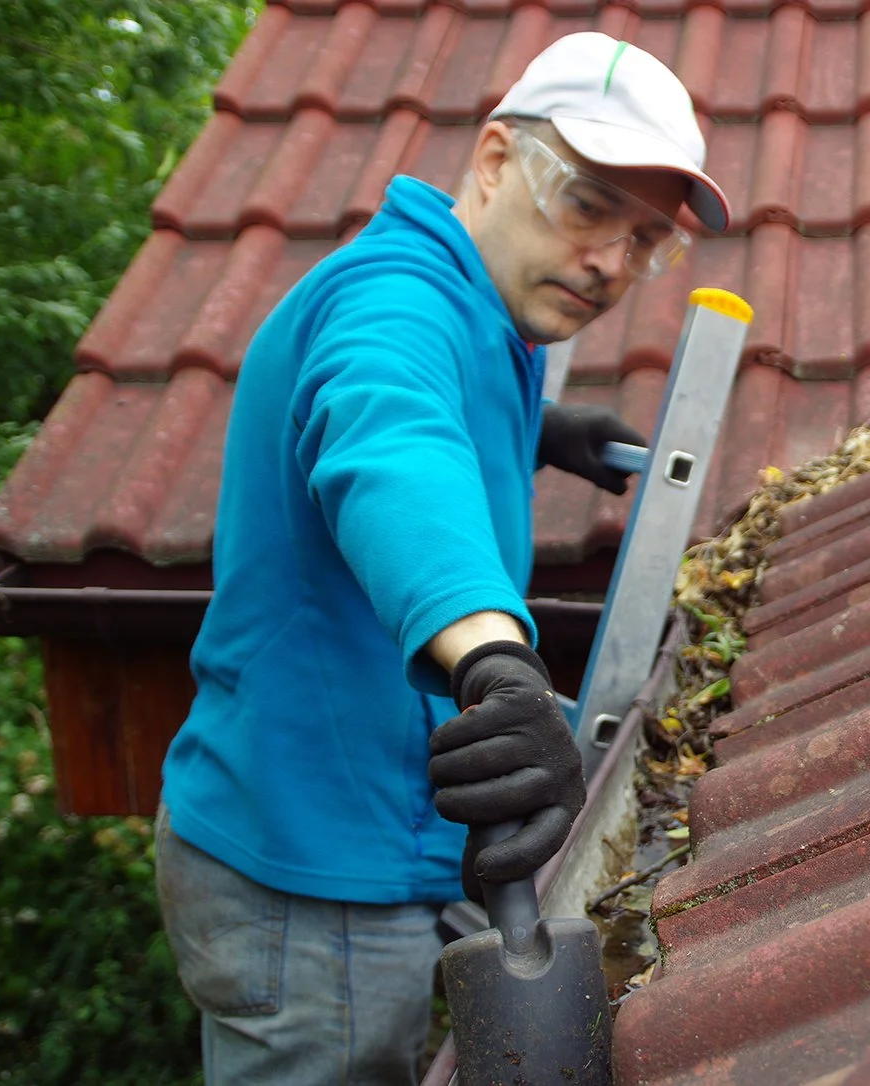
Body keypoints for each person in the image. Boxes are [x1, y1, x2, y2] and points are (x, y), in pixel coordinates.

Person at [153, 29, 731, 1086]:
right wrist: (494, 663)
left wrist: (534, 432)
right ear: (499, 162)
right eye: (589, 203)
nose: (611, 261)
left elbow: (438, 420)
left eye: (647, 237)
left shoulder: (491, 317)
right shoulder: (395, 301)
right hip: (306, 861)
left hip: (390, 820)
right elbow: (389, 446)